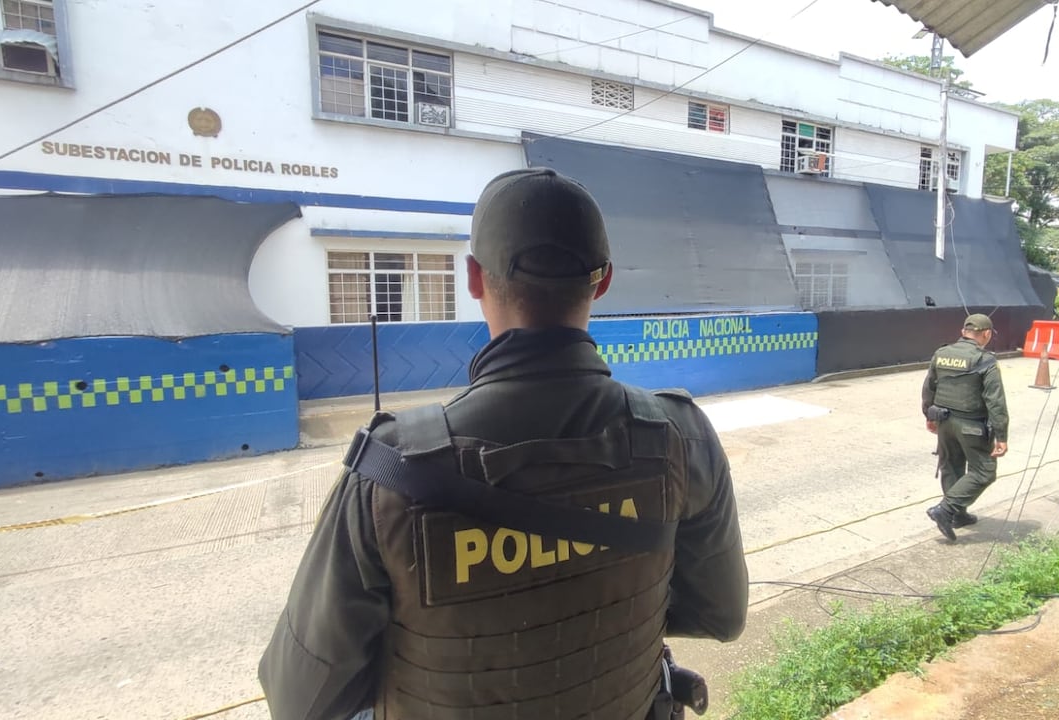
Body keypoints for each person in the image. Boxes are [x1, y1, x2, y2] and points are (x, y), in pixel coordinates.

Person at [258, 168, 748, 720]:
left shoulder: (391, 470)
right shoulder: (680, 436)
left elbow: (300, 699)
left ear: (472, 277)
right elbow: (721, 615)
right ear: (603, 280)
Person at [920, 314, 1009, 542]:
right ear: (987, 334)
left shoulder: (942, 354)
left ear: (963, 331)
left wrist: (928, 415)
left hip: (944, 422)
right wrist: (1001, 435)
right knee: (984, 471)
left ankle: (957, 516)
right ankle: (946, 509)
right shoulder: (986, 360)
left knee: (951, 466)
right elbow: (995, 401)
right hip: (972, 426)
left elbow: (929, 387)